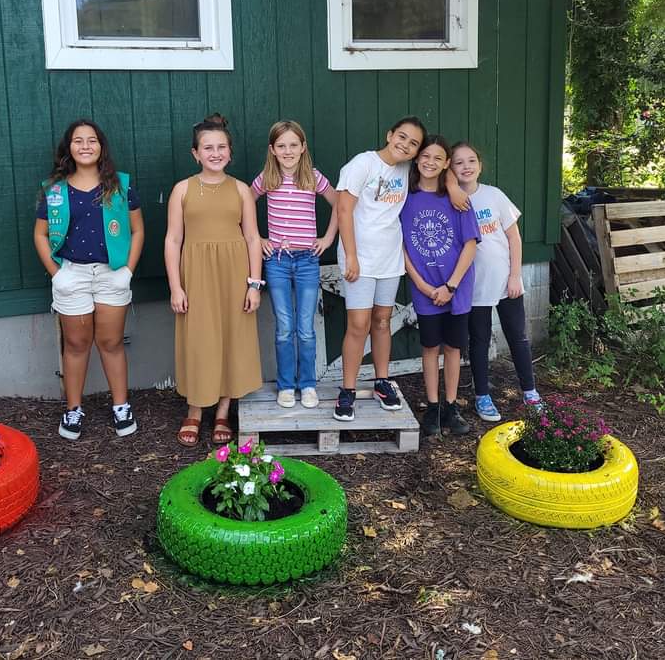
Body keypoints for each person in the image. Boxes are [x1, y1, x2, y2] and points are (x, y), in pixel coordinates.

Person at [334, 117, 470, 422]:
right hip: (360, 259)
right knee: (358, 324)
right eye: (402, 137)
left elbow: (439, 166)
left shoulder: (407, 170)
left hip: (389, 259)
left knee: (382, 321)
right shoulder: (363, 164)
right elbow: (343, 209)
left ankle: (383, 382)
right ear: (389, 135)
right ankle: (348, 390)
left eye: (413, 144)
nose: (405, 145)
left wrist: (453, 186)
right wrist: (351, 256)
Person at [34, 119, 144, 441]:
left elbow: (137, 230)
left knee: (110, 343)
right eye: (78, 140)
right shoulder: (54, 190)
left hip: (112, 273)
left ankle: (121, 406)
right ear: (68, 148)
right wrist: (58, 274)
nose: (85, 146)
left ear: (101, 146)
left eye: (92, 140)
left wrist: (128, 271)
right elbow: (40, 235)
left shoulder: (120, 186)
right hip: (73, 274)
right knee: (76, 344)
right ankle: (73, 409)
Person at [164, 114, 264, 447]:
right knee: (199, 337)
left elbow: (252, 238)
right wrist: (176, 286)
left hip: (234, 274)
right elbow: (173, 240)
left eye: (221, 147)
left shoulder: (240, 190)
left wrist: (254, 284)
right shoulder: (183, 190)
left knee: (230, 336)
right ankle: (195, 408)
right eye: (208, 147)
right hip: (196, 274)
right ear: (196, 153)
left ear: (230, 152)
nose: (215, 153)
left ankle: (223, 409)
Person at [450, 142, 542, 422]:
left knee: (518, 337)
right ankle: (482, 396)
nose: (466, 166)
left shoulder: (494, 195)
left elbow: (514, 237)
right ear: (450, 169)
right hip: (475, 287)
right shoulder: (451, 201)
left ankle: (530, 392)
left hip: (505, 283)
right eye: (458, 162)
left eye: (471, 161)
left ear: (480, 165)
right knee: (478, 341)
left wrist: (515, 275)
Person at [252, 120, 338, 409]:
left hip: (307, 260)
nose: (287, 150)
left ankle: (308, 384)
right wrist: (257, 237)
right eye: (281, 146)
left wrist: (327, 237)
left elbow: (339, 203)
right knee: (285, 326)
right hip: (276, 261)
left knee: (305, 327)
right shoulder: (266, 178)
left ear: (303, 147)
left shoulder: (313, 177)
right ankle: (286, 385)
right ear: (272, 150)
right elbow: (242, 204)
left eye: (293, 145)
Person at [401, 136, 481, 436]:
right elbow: (403, 248)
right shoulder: (405, 199)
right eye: (425, 156)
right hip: (425, 289)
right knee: (430, 346)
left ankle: (451, 405)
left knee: (453, 348)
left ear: (446, 163)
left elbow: (470, 245)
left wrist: (451, 285)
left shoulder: (456, 199)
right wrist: (421, 284)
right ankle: (432, 407)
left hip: (456, 289)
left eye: (438, 157)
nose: (430, 162)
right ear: (416, 159)